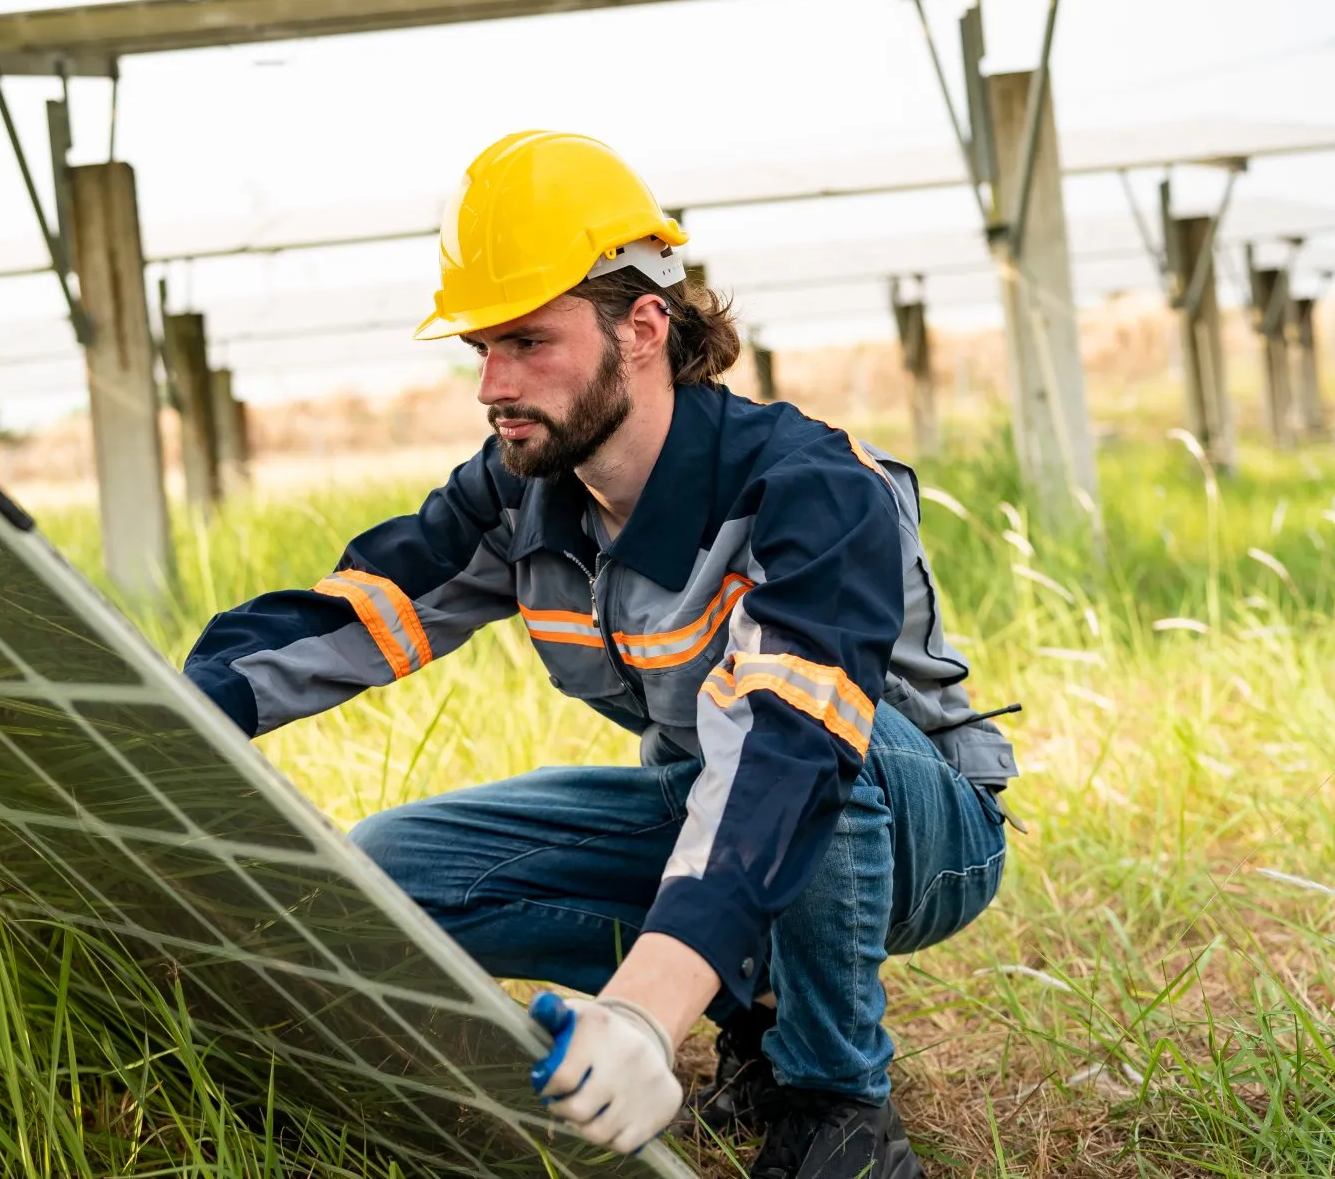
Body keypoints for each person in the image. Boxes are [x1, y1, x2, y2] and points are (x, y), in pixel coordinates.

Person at [184, 131, 1018, 1178]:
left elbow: (788, 754)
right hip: (710, 803)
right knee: (396, 869)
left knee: (809, 744)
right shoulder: (520, 491)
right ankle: (749, 989)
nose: (492, 383)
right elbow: (358, 615)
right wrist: (161, 715)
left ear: (642, 327)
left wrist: (637, 1016)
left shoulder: (806, 489)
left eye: (527, 341)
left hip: (915, 827)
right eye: (479, 348)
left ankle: (832, 1096)